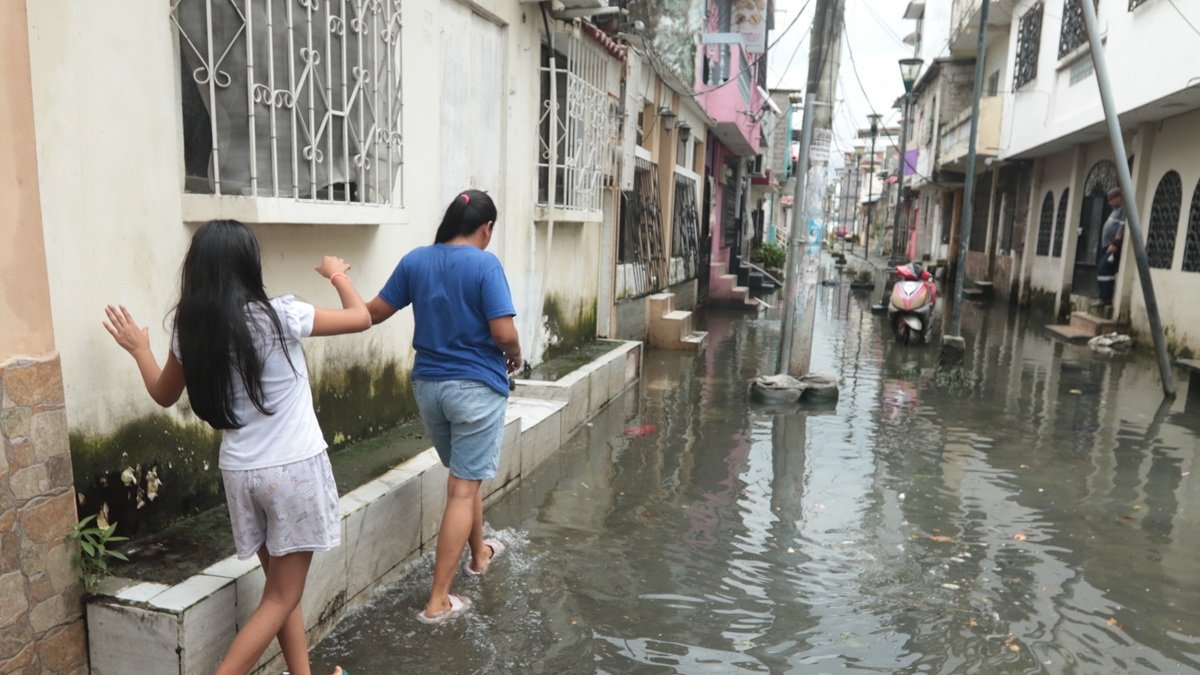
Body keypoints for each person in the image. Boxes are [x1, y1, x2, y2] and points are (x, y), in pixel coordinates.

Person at [103, 219, 366, 675]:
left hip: (242, 475)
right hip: (293, 471)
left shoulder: (190, 329)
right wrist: (337, 273)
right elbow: (361, 317)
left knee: (280, 593)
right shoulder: (280, 314)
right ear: (249, 265)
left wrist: (139, 349)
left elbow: (164, 394)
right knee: (283, 595)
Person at [365, 189, 521, 625]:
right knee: (462, 488)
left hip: (429, 388)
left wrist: (340, 282)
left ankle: (479, 554)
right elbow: (504, 333)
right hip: (475, 388)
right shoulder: (485, 264)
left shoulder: (417, 260)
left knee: (465, 479)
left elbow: (373, 313)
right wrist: (517, 355)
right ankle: (437, 601)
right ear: (486, 228)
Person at [1094, 187, 1125, 307]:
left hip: (1112, 246)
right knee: (1105, 270)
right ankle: (1103, 296)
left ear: (1118, 198)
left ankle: (1105, 298)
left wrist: (1115, 244)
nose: (1110, 202)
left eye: (1112, 199)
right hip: (1106, 245)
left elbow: (1121, 228)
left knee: (1103, 268)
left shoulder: (1123, 210)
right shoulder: (1115, 211)